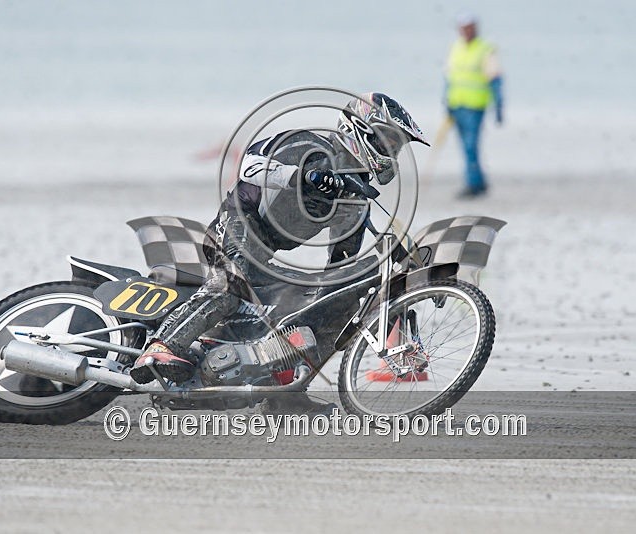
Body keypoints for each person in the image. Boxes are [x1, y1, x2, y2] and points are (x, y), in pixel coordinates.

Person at [130, 92, 429, 385]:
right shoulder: (310, 144)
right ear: (363, 130)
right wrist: (305, 177)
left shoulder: (354, 197)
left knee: (331, 307)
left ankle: (288, 392)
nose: (392, 151)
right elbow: (250, 166)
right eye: (389, 140)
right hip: (237, 224)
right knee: (231, 286)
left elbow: (340, 264)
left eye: (397, 146)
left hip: (265, 253)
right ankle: (161, 347)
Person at [444, 12, 504, 198]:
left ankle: (473, 184)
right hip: (457, 104)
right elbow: (449, 77)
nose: (467, 31)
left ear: (475, 27)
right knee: (465, 146)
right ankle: (479, 181)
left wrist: (499, 106)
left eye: (470, 27)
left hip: (475, 106)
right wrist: (446, 102)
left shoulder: (485, 49)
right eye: (464, 28)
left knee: (471, 145)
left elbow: (495, 79)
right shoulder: (456, 48)